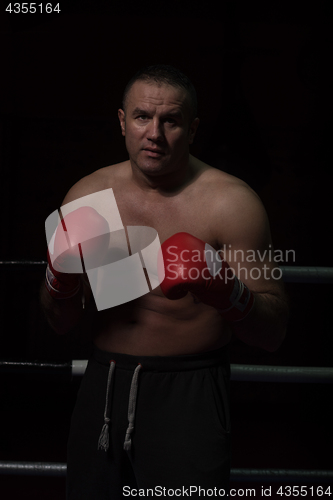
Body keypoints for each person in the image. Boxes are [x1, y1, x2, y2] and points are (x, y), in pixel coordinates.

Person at [40, 64, 289, 499]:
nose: (154, 133)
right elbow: (58, 322)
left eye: (170, 121)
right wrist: (59, 280)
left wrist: (224, 291)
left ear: (191, 129)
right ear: (122, 122)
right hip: (104, 385)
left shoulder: (230, 203)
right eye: (142, 117)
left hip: (189, 392)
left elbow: (274, 331)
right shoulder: (87, 197)